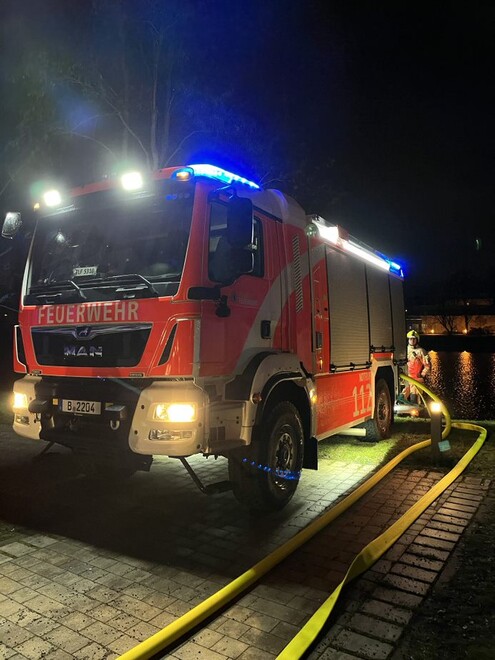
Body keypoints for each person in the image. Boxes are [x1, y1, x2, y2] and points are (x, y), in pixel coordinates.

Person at [402, 330, 431, 404]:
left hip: (417, 379)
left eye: (414, 339)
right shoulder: (405, 350)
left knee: (414, 397)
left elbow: (427, 366)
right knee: (402, 397)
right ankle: (401, 413)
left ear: (417, 340)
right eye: (410, 339)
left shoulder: (421, 351)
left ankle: (415, 414)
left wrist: (422, 374)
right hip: (406, 378)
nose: (412, 341)